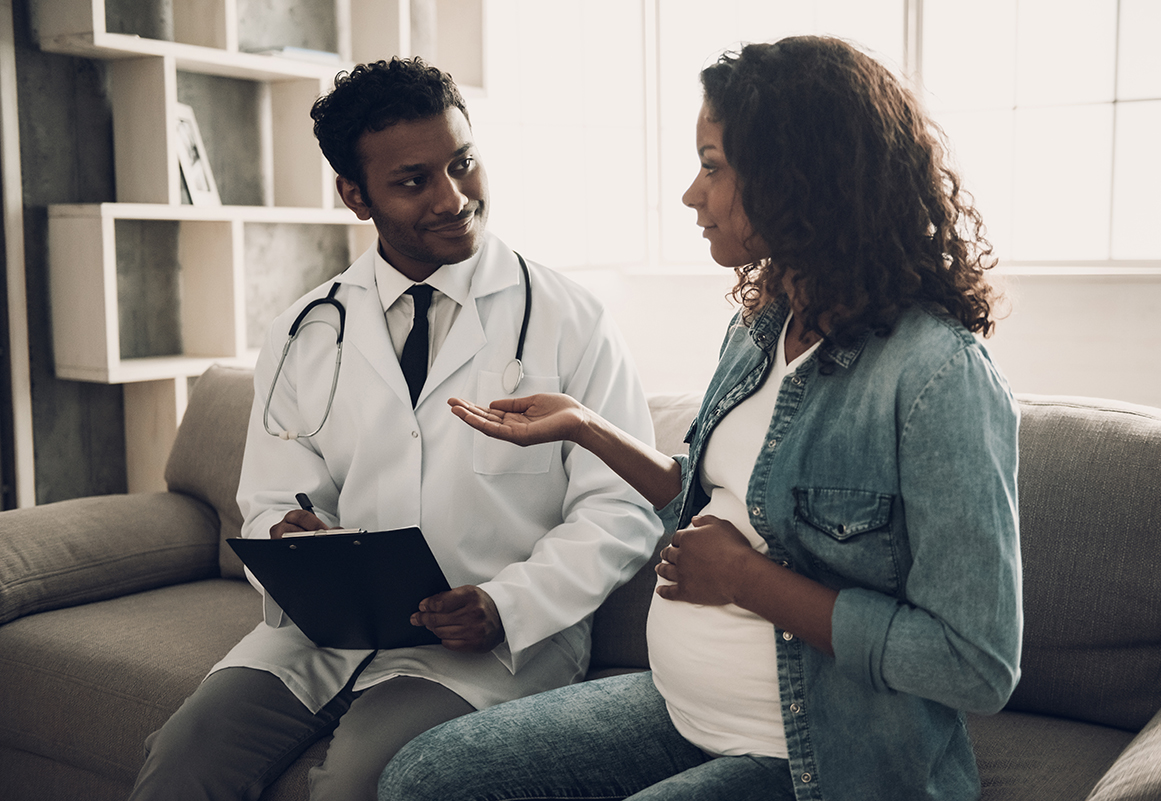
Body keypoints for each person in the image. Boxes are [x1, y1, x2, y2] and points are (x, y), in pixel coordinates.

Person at [378, 36, 1022, 801]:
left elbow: (973, 662)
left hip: (822, 755)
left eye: (712, 165)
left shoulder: (936, 378)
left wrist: (747, 579)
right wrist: (584, 425)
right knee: (424, 778)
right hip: (681, 711)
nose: (691, 193)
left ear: (797, 181)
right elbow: (719, 497)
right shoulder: (763, 327)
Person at [128, 57, 662, 801]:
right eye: (414, 181)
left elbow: (623, 508)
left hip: (497, 640)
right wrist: (289, 537)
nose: (453, 198)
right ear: (355, 195)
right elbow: (271, 494)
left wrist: (506, 603)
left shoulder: (571, 319)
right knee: (183, 761)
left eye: (463, 163)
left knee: (358, 784)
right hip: (321, 633)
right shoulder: (307, 329)